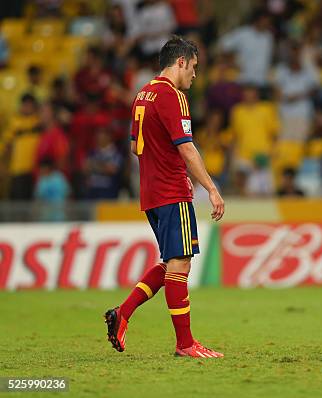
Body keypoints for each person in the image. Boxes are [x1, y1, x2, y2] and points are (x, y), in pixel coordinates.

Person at [104, 36, 225, 359]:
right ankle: (185, 344)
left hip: (150, 193)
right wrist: (211, 188)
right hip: (173, 189)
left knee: (170, 261)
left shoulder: (142, 94)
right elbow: (186, 146)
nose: (195, 76)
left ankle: (122, 313)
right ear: (181, 62)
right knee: (180, 264)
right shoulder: (174, 95)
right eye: (194, 67)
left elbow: (134, 146)